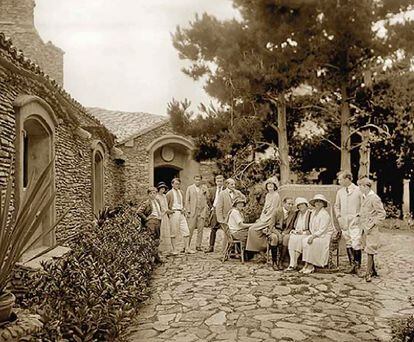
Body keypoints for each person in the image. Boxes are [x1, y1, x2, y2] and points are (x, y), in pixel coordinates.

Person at [246, 178, 281, 268]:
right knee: (254, 229)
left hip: (270, 219)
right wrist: (261, 218)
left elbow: (273, 210)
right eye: (268, 184)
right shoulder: (268, 195)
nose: (269, 186)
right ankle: (259, 251)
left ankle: (261, 248)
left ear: (275, 186)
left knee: (252, 229)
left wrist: (266, 220)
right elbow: (265, 209)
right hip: (264, 217)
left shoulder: (276, 195)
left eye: (271, 185)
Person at [357, 177, 386, 282]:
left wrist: (373, 223)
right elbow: (367, 211)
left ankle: (368, 273)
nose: (359, 188)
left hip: (372, 229)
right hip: (365, 228)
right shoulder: (364, 197)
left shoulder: (374, 198)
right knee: (367, 248)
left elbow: (382, 214)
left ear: (366, 186)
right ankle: (373, 270)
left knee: (370, 250)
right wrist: (359, 215)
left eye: (360, 186)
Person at [334, 171, 363, 274]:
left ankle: (358, 266)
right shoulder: (340, 192)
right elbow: (336, 206)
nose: (339, 181)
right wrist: (339, 217)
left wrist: (359, 216)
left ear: (347, 179)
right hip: (344, 220)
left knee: (356, 242)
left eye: (340, 179)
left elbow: (364, 205)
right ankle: (352, 265)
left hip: (355, 220)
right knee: (348, 241)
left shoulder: (358, 190)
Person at [302, 194, 334, 274]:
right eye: (316, 201)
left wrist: (313, 237)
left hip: (324, 235)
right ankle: (306, 264)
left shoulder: (325, 214)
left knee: (312, 242)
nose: (318, 203)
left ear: (323, 204)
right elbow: (311, 225)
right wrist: (311, 235)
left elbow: (322, 230)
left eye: (320, 202)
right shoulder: (313, 212)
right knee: (304, 240)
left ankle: (311, 265)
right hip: (316, 234)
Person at [166, 178, 195, 254]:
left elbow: (183, 203)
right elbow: (166, 205)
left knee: (186, 231)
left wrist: (184, 209)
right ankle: (174, 249)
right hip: (174, 213)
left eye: (178, 184)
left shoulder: (181, 192)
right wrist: (170, 212)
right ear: (172, 184)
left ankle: (187, 248)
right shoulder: (169, 194)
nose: (177, 185)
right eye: (175, 184)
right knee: (173, 232)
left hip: (181, 213)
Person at [137, 186, 164, 263]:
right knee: (151, 239)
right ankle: (150, 259)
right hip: (151, 222)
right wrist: (146, 219)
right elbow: (139, 212)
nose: (153, 195)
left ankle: (156, 258)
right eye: (151, 193)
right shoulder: (146, 203)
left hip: (158, 221)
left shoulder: (157, 201)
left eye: (154, 193)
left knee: (157, 240)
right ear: (148, 194)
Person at [216, 178, 243, 250]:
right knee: (227, 235)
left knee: (236, 232)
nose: (233, 186)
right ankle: (225, 251)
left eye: (234, 184)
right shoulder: (222, 193)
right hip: (226, 218)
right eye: (232, 184)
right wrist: (220, 219)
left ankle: (236, 251)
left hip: (235, 217)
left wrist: (238, 195)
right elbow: (219, 207)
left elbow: (244, 199)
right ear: (227, 184)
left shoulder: (237, 192)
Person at [285, 197, 312, 271]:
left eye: (302, 205)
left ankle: (294, 263)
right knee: (292, 238)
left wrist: (303, 232)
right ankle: (292, 263)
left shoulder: (310, 214)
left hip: (306, 233)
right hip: (297, 233)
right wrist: (293, 231)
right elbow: (292, 224)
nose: (301, 207)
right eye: (299, 205)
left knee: (299, 239)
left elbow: (312, 228)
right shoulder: (297, 213)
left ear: (306, 205)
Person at [269, 196, 295, 270]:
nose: (290, 206)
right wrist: (279, 234)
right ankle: (274, 262)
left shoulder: (292, 213)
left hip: (285, 231)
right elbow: (271, 226)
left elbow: (290, 227)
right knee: (274, 238)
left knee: (286, 238)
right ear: (284, 203)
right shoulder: (277, 211)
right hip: (275, 230)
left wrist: (284, 233)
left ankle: (281, 261)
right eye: (289, 204)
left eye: (292, 204)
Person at [185, 175, 209, 251]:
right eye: (196, 180)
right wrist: (188, 210)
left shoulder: (204, 188)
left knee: (200, 229)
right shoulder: (190, 188)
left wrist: (206, 192)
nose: (197, 181)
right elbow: (187, 200)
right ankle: (187, 245)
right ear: (194, 180)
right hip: (192, 211)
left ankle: (198, 245)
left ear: (201, 180)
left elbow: (208, 198)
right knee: (190, 228)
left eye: (199, 180)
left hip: (201, 211)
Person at [205, 175, 225, 253]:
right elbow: (208, 199)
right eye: (218, 181)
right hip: (215, 210)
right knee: (213, 229)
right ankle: (211, 247)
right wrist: (212, 207)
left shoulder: (226, 190)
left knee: (226, 229)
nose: (219, 183)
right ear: (216, 182)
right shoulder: (212, 190)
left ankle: (226, 247)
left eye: (221, 181)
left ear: (223, 182)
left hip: (223, 212)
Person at [156, 182, 174, 254]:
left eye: (164, 189)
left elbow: (166, 205)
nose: (162, 190)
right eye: (161, 188)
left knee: (167, 231)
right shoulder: (157, 197)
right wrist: (166, 211)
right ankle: (161, 249)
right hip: (161, 215)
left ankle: (167, 249)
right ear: (159, 189)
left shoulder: (164, 196)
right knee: (162, 231)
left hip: (165, 216)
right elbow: (160, 207)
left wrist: (168, 210)